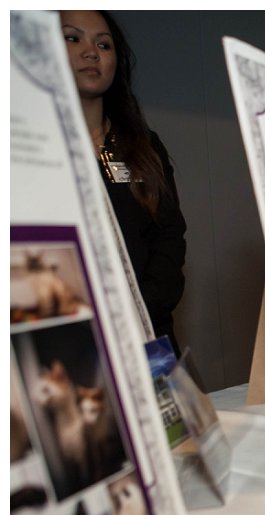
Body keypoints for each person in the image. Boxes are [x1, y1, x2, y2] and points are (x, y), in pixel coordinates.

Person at [60, 10, 187, 355]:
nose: (91, 52)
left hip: (149, 331)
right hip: (72, 342)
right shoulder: (30, 148)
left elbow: (169, 233)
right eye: (73, 38)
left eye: (104, 44)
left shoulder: (143, 144)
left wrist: (143, 306)